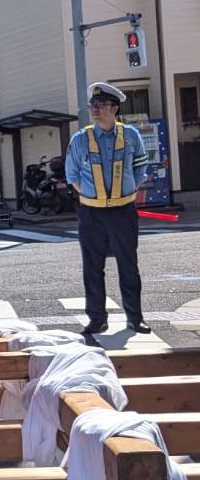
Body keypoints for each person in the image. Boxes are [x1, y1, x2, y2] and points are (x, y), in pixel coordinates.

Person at [64, 81, 151, 341]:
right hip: (91, 212)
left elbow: (140, 166)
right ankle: (97, 319)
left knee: (128, 264)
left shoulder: (131, 135)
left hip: (123, 210)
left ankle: (135, 318)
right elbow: (72, 174)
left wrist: (128, 188)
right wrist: (92, 195)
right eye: (93, 105)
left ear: (114, 109)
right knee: (92, 266)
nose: (95, 110)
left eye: (101, 105)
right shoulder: (81, 138)